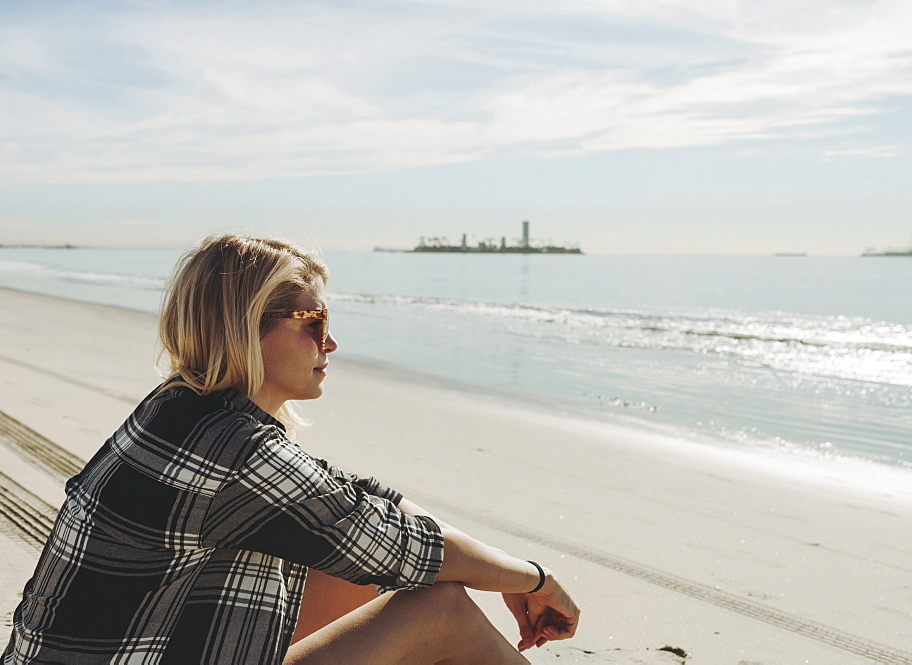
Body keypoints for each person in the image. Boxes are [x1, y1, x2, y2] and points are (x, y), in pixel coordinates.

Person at [3, 235, 580, 664]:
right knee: (441, 609)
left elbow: (359, 508)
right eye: (313, 320)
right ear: (245, 324)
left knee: (367, 568)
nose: (330, 341)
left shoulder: (182, 409)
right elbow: (399, 545)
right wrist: (535, 579)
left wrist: (502, 573)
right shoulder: (230, 447)